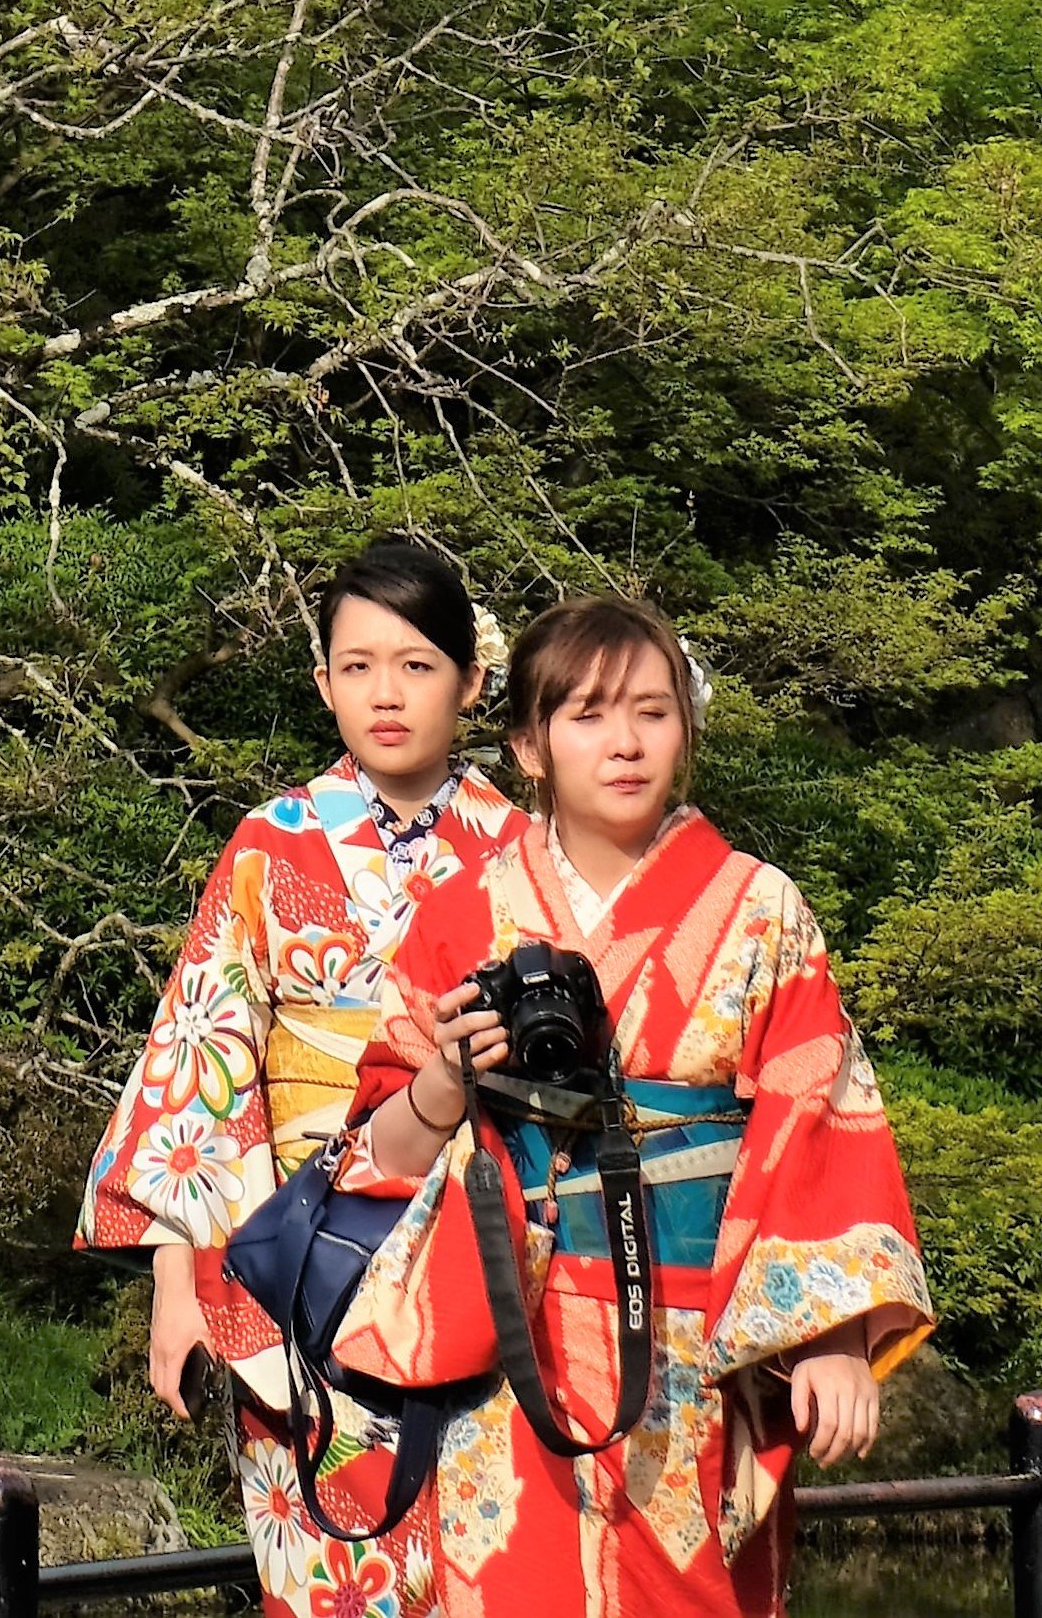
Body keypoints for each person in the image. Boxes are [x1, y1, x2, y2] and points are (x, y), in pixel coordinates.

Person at [338, 587, 929, 1618]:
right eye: (590, 715)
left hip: (700, 1338)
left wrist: (833, 1340)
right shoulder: (464, 911)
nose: (625, 743)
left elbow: (820, 1122)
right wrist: (442, 1080)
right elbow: (380, 1150)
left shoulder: (759, 908)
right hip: (509, 1336)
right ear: (529, 743)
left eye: (653, 712)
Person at [82, 539, 516, 1618]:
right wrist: (175, 1292)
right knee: (327, 1576)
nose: (386, 693)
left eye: (418, 666)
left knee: (485, 1570)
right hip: (298, 1261)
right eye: (358, 665)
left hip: (480, 1253)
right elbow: (202, 1068)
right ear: (322, 682)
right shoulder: (268, 847)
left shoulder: (523, 850)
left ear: (470, 680)